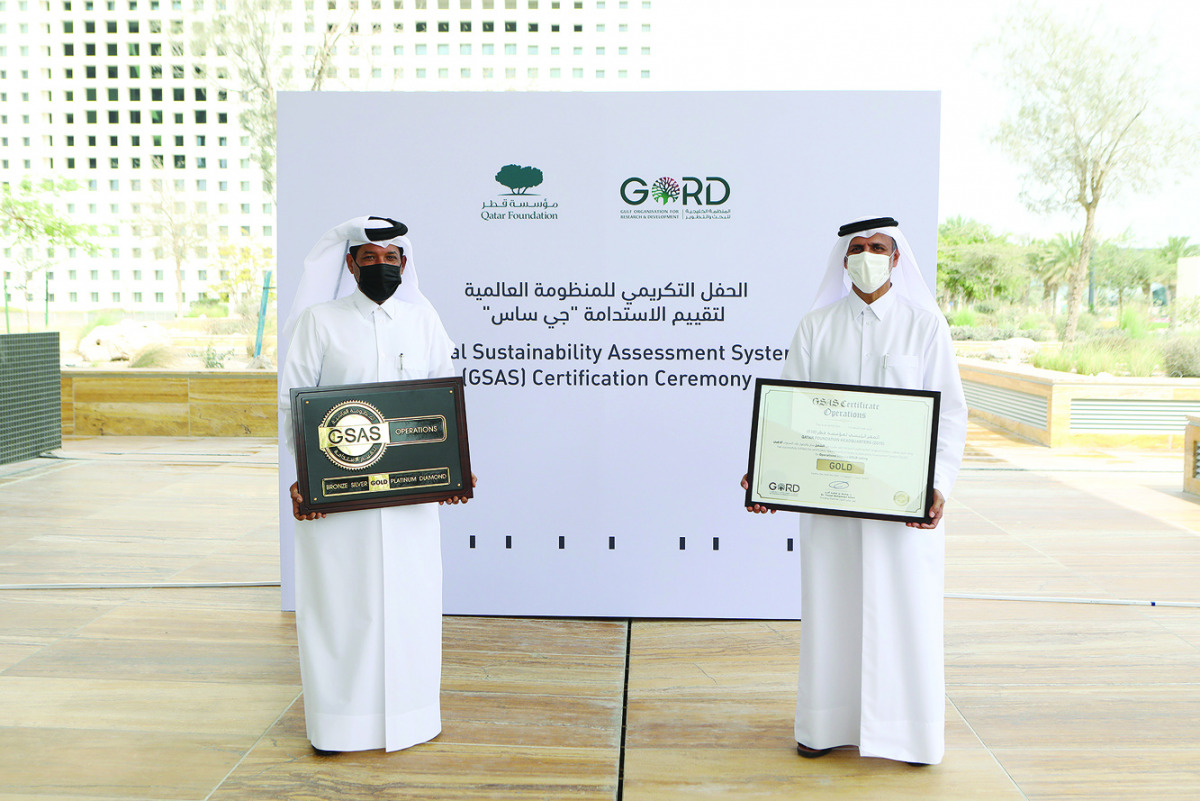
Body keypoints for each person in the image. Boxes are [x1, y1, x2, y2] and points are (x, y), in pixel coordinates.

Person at [742, 216, 967, 766]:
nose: (867, 255)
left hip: (900, 508)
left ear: (897, 259)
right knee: (831, 610)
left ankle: (910, 737)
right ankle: (823, 728)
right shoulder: (816, 327)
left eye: (879, 247)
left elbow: (951, 413)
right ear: (845, 261)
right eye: (858, 248)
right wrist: (765, 469)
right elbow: (789, 412)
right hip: (832, 503)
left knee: (905, 613)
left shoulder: (925, 326)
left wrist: (936, 485)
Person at [278, 215, 474, 755]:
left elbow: (444, 403)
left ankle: (414, 719)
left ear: (404, 265)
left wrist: (457, 466)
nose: (382, 267)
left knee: (410, 603)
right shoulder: (321, 321)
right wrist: (305, 481)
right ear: (351, 264)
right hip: (338, 504)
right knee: (343, 607)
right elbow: (293, 400)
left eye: (392, 260)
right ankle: (340, 726)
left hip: (411, 500)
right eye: (371, 259)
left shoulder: (423, 321)